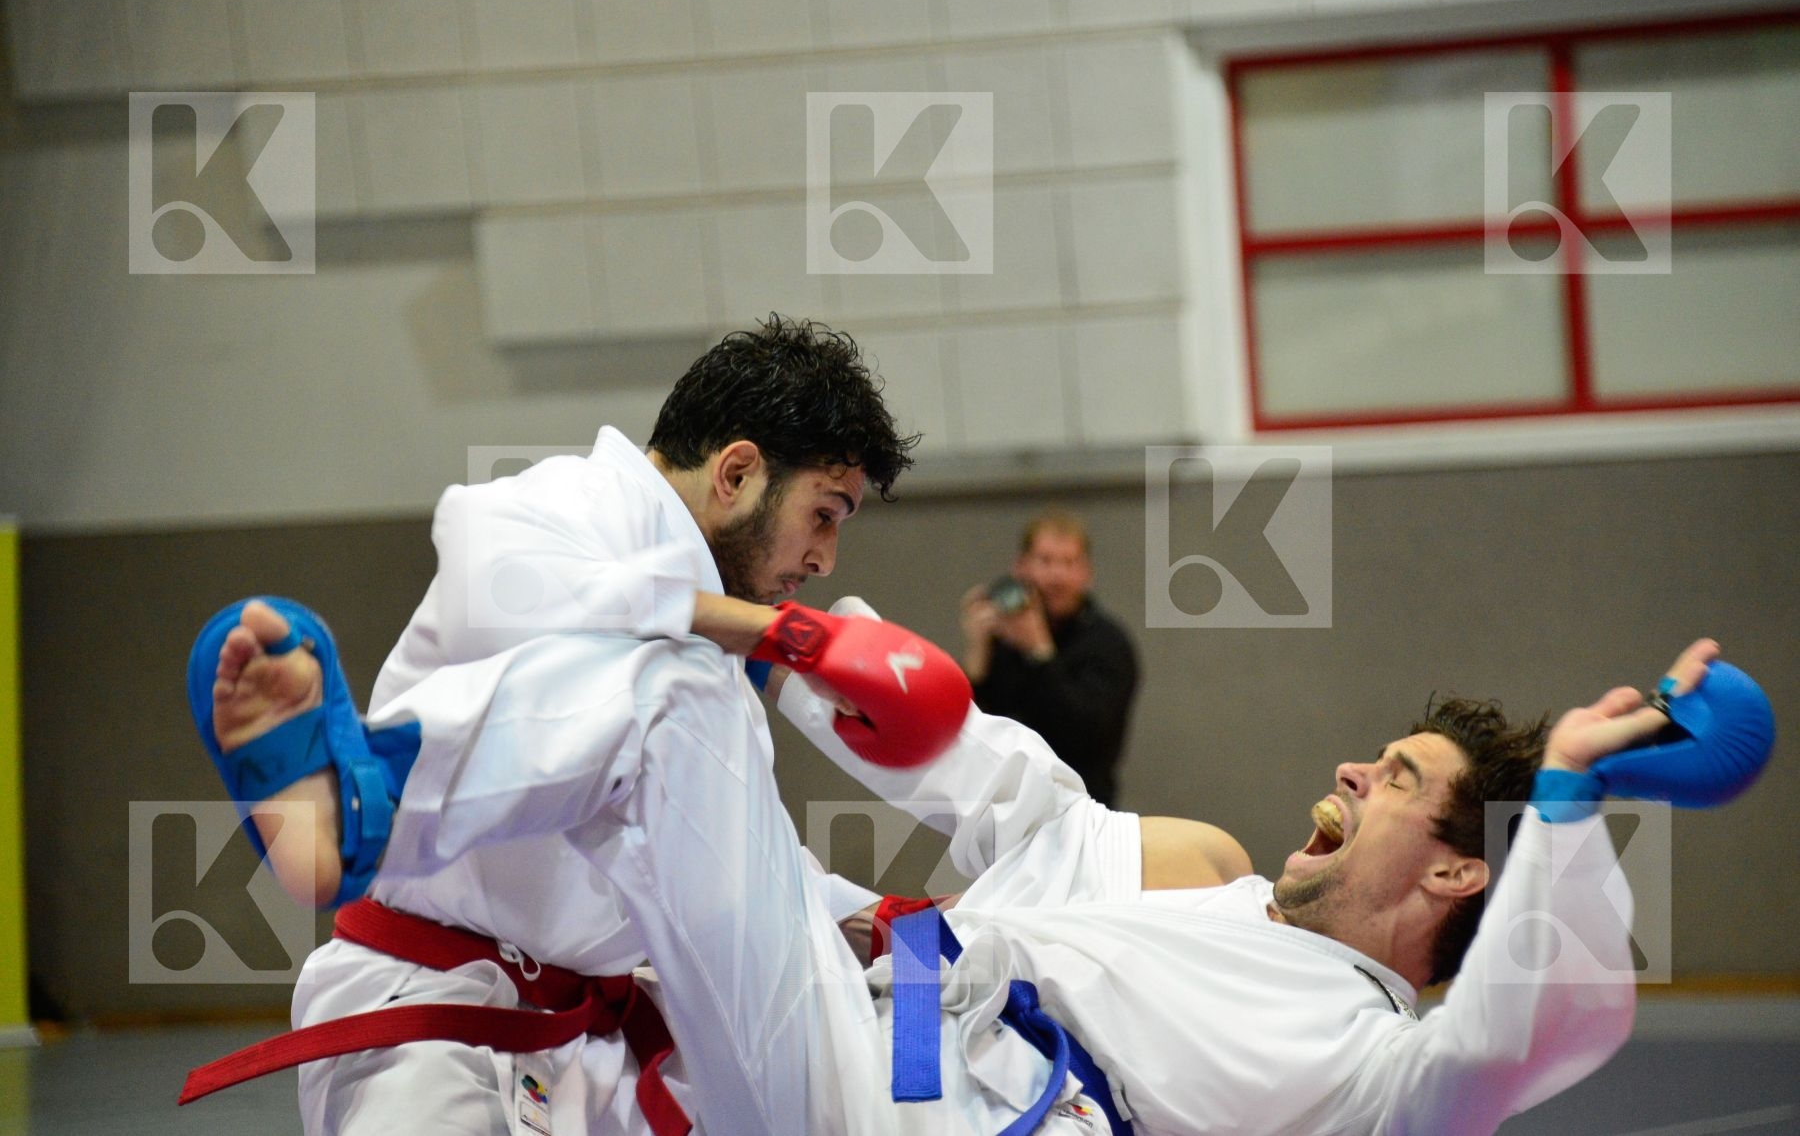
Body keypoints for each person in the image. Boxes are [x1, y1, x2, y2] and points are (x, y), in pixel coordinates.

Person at [230, 579, 1733, 1134]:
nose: (1352, 768)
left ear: (1464, 871)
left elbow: (1526, 1034)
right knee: (428, 962)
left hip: (924, 1096)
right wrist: (825, 636)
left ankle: (394, 775)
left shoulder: (1379, 1071)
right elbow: (999, 775)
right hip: (855, 986)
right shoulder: (1203, 888)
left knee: (681, 730)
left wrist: (1575, 806)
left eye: (1400, 778)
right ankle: (361, 811)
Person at [185, 315, 955, 1134]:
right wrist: (788, 637)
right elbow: (506, 582)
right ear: (736, 471)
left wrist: (857, 914)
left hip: (597, 1045)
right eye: (825, 514)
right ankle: (360, 797)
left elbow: (717, 843)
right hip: (435, 1011)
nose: (826, 560)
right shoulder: (570, 506)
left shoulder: (709, 661)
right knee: (666, 677)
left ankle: (366, 796)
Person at [960, 510, 1138, 805]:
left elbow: (1085, 737)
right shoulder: (1002, 642)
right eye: (1045, 561)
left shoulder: (1109, 644)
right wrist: (977, 654)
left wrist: (1040, 652)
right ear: (1021, 568)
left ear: (1087, 573)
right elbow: (971, 733)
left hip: (1082, 810)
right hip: (1004, 810)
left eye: (1069, 563)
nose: (1057, 576)